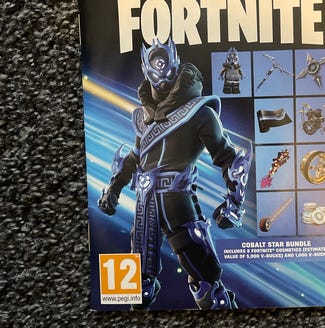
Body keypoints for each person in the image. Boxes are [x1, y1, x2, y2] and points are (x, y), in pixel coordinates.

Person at [98, 38, 251, 310]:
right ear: (146, 69)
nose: (162, 77)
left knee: (207, 285)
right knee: (137, 290)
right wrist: (114, 188)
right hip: (145, 205)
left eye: (166, 67)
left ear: (176, 64)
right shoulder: (142, 117)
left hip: (178, 203)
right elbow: (136, 156)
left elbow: (228, 158)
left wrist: (234, 203)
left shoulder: (199, 113)